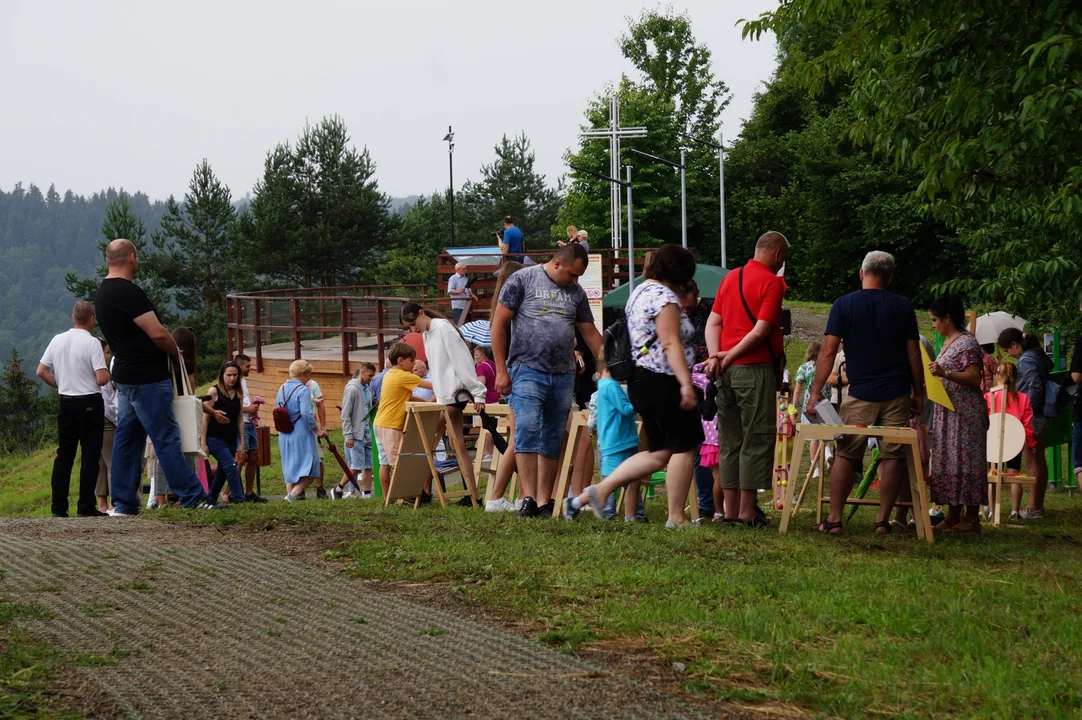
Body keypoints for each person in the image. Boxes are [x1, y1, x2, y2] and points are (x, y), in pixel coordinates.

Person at [566, 244, 701, 527]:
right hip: (664, 379)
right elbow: (669, 341)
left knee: (658, 453)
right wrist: (685, 383)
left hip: (641, 379)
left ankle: (600, 491)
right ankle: (676, 516)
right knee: (685, 446)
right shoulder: (664, 297)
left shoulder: (638, 291)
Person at [805, 251, 924, 536]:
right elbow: (913, 355)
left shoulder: (843, 305)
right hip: (896, 391)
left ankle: (834, 519)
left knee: (847, 454)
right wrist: (918, 392)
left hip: (858, 392)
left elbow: (829, 351)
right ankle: (882, 521)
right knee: (892, 455)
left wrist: (815, 391)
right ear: (890, 277)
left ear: (861, 273)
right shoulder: (903, 307)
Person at [94, 240, 214, 513]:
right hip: (147, 376)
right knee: (166, 437)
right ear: (132, 258)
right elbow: (158, 333)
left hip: (124, 374)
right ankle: (193, 496)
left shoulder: (102, 293)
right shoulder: (129, 293)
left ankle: (123, 502)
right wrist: (177, 353)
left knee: (128, 438)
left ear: (107, 259)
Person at [491, 242, 602, 518]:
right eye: (572, 274)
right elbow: (499, 324)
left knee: (553, 436)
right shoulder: (523, 279)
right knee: (527, 429)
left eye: (579, 276)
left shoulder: (576, 293)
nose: (575, 281)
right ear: (557, 263)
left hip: (563, 374)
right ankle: (527, 497)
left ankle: (544, 500)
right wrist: (501, 369)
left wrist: (609, 363)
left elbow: (590, 334)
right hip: (526, 369)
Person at [704, 231, 789, 526]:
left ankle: (729, 511)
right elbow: (761, 330)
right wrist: (729, 355)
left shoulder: (731, 278)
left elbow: (713, 321)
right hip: (754, 369)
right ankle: (747, 511)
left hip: (725, 373)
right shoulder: (772, 283)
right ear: (777, 255)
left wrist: (717, 355)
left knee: (730, 441)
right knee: (756, 437)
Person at [400, 303, 488, 497]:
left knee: (422, 438)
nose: (413, 329)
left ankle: (421, 491)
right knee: (457, 444)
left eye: (413, 323)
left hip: (455, 395)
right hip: (445, 396)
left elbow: (462, 361)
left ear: (421, 313)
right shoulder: (426, 333)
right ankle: (472, 495)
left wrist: (477, 392)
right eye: (408, 327)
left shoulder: (443, 328)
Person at [36, 300, 111, 518]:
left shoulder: (57, 340)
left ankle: (58, 508)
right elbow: (101, 377)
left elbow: (41, 370)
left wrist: (61, 383)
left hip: (66, 400)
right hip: (89, 401)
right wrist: (107, 374)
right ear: (92, 319)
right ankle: (85, 506)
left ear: (72, 317)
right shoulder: (92, 343)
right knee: (89, 455)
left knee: (64, 455)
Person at [926, 294, 987, 534]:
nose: (933, 325)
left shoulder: (967, 343)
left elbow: (974, 377)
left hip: (964, 415)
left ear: (947, 318)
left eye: (934, 320)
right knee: (950, 461)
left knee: (966, 462)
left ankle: (971, 518)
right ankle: (952, 516)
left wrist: (945, 373)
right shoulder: (949, 341)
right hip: (948, 414)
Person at [997, 328, 1052, 519]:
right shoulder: (1037, 354)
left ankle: (1035, 507)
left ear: (1014, 345)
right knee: (1038, 460)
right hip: (1039, 415)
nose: (1008, 355)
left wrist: (1025, 411)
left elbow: (1034, 387)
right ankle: (1038, 505)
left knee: (1032, 461)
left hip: (1032, 416)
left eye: (1007, 351)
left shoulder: (1026, 360)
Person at [588, 354, 646, 522]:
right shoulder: (611, 386)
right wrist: (640, 405)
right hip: (620, 441)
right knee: (628, 479)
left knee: (613, 478)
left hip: (610, 441)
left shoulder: (600, 390)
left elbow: (593, 415)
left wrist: (589, 427)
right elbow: (626, 409)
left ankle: (618, 513)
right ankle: (619, 513)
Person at [373, 343, 433, 497]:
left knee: (384, 463)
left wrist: (425, 403)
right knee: (399, 463)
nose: (414, 365)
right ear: (401, 360)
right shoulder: (404, 376)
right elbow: (432, 385)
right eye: (411, 361)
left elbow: (406, 397)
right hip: (391, 425)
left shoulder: (390, 374)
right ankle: (402, 496)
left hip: (380, 423)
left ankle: (388, 498)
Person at [679, 280, 715, 517]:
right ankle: (704, 503)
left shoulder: (712, 309)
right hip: (686, 387)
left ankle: (713, 503)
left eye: (688, 304)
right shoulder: (673, 313)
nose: (685, 309)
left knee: (710, 446)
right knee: (692, 445)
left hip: (711, 388)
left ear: (697, 293)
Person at [985, 362, 1036, 521]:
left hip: (994, 441)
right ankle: (1014, 511)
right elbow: (1027, 423)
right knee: (1014, 475)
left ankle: (993, 512)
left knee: (993, 475)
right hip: (1014, 441)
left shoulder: (989, 396)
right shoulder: (1023, 398)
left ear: (997, 377)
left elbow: (985, 420)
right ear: (1016, 378)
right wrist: (1031, 443)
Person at [278, 360, 327, 501]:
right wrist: (317, 430)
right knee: (312, 469)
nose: (309, 378)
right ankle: (292, 496)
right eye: (308, 374)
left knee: (291, 466)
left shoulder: (281, 388)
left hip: (285, 432)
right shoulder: (303, 390)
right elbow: (306, 414)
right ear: (302, 374)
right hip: (301, 432)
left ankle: (289, 496)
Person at [201, 361, 247, 504]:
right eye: (229, 375)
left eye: (235, 375)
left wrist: (242, 443)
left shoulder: (239, 393)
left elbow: (239, 418)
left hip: (231, 438)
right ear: (222, 376)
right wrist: (203, 442)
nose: (232, 378)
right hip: (214, 438)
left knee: (222, 471)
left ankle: (211, 500)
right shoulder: (214, 392)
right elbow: (205, 418)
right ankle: (240, 500)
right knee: (230, 466)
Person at [334, 363, 376, 499]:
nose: (371, 378)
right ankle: (338, 488)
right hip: (356, 433)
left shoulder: (367, 389)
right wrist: (349, 435)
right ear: (362, 372)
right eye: (369, 375)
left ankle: (367, 493)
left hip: (367, 431)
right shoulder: (352, 389)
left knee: (368, 465)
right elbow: (345, 414)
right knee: (357, 466)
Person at [234, 353, 267, 503]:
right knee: (242, 457)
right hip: (241, 423)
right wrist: (247, 409)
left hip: (250, 422)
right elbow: (232, 404)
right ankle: (232, 492)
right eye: (247, 366)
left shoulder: (243, 382)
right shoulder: (233, 381)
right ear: (239, 366)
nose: (250, 368)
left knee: (254, 456)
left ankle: (249, 492)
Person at [96, 339, 117, 512]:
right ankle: (114, 503)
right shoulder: (101, 375)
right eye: (106, 352)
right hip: (107, 420)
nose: (108, 356)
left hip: (95, 419)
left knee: (101, 463)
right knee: (113, 462)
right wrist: (119, 420)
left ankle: (102, 504)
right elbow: (108, 404)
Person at [306, 375, 328, 499]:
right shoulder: (292, 386)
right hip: (299, 427)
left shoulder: (313, 384)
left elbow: (321, 404)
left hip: (313, 426)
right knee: (301, 457)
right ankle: (300, 490)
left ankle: (320, 488)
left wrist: (323, 426)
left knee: (318, 457)